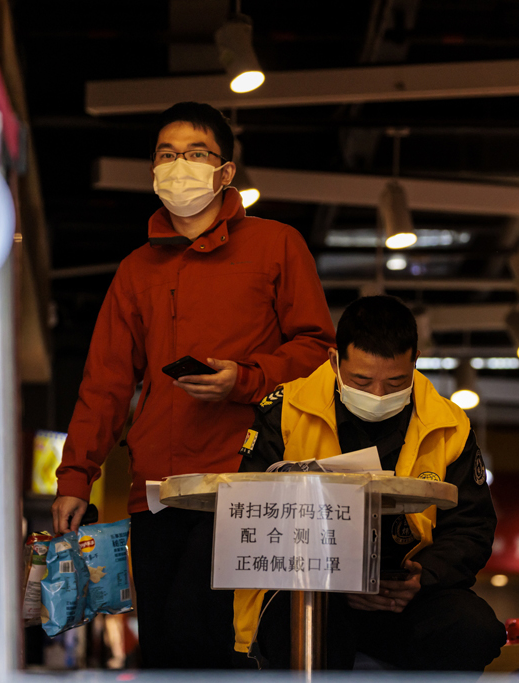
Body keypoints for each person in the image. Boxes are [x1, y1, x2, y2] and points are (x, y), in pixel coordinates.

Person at [51, 102, 335, 669]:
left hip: (248, 482)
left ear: (225, 171)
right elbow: (106, 381)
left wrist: (245, 379)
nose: (179, 165)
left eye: (195, 153)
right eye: (167, 154)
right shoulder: (136, 270)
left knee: (216, 642)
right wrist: (76, 476)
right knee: (163, 651)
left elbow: (315, 350)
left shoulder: (277, 245)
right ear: (153, 170)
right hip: (157, 488)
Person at [233, 296, 505, 671]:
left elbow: (472, 526)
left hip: (406, 594)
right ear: (334, 361)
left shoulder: (449, 424)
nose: (378, 395)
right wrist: (335, 580)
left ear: (415, 361)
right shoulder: (285, 411)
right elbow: (247, 519)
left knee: (475, 629)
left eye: (395, 382)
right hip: (308, 590)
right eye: (361, 381)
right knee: (302, 625)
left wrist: (423, 576)